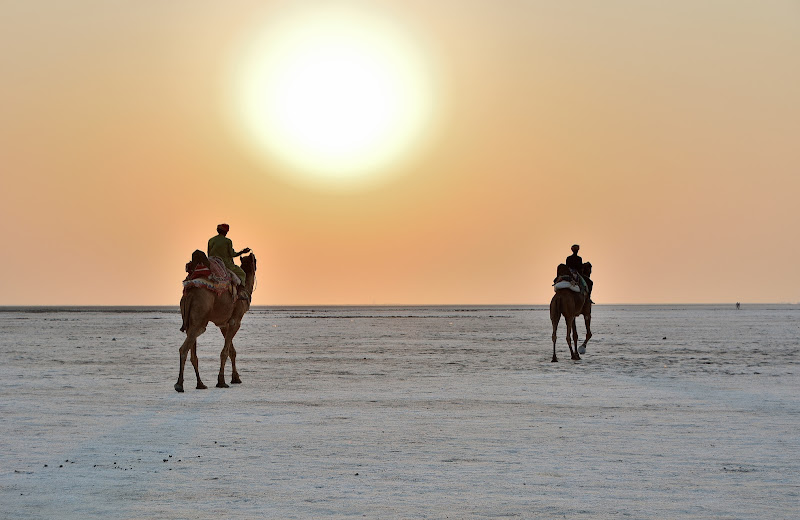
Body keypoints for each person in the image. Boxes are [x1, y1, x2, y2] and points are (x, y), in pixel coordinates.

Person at [208, 224, 251, 299]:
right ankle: (241, 292)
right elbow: (232, 254)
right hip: (225, 264)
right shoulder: (227, 241)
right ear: (226, 232)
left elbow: (209, 253)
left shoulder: (211, 240)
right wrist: (242, 252)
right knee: (242, 274)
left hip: (213, 263)